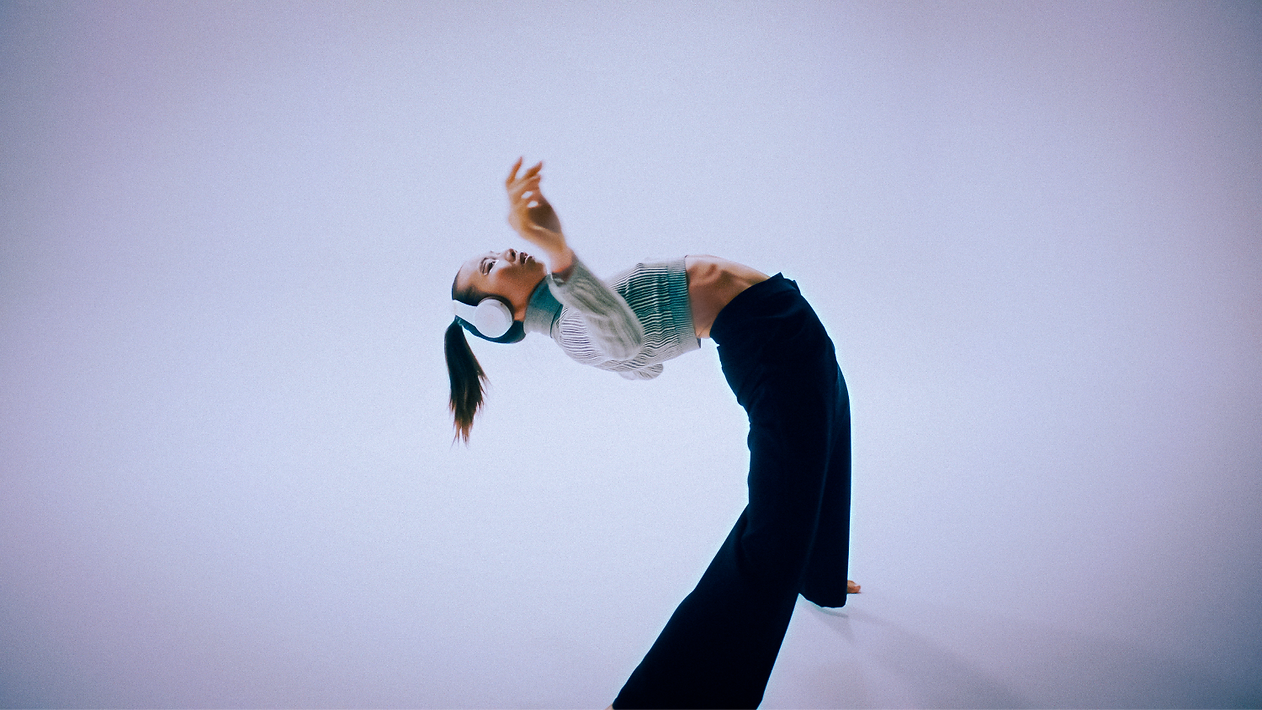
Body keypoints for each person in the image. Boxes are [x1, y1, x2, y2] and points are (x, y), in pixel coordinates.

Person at [445, 158, 857, 710]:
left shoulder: (571, 311)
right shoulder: (572, 324)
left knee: (827, 431)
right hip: (769, 342)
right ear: (497, 313)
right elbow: (623, 340)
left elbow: (638, 358)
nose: (506, 253)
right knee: (774, 529)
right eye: (490, 266)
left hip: (776, 324)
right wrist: (558, 249)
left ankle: (817, 573)